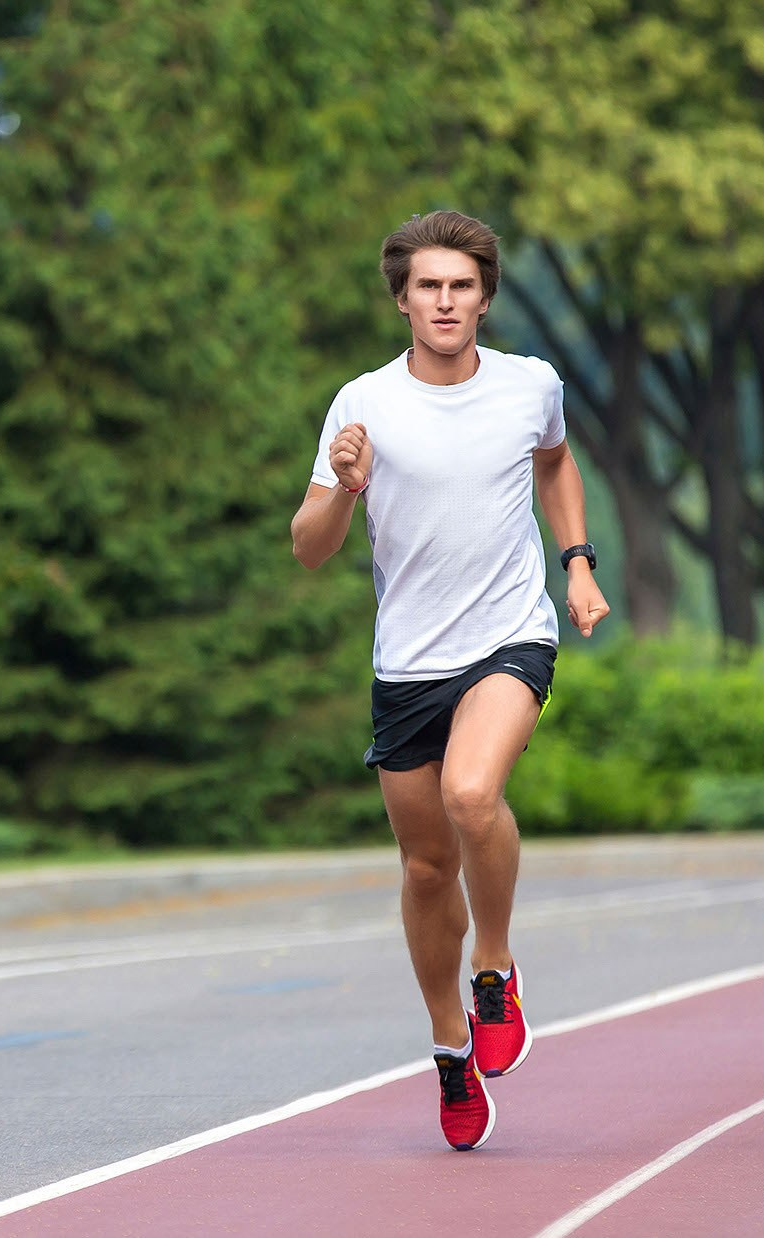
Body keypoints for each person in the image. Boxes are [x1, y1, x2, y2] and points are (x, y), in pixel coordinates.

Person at [289, 209, 610, 1151]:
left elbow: (555, 462)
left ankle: (497, 967)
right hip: (409, 664)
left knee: (475, 794)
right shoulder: (361, 406)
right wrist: (343, 486)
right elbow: (310, 551)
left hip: (511, 635)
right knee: (427, 867)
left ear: (484, 297)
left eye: (461, 285)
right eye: (428, 286)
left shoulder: (529, 386)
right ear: (402, 299)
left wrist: (578, 561)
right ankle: (447, 1050)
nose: (445, 301)